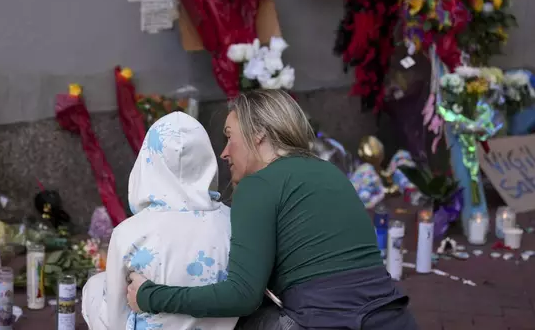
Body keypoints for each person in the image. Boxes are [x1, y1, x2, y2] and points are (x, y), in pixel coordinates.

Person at [126, 90, 416, 329]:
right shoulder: (329, 171)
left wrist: (150, 295)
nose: (224, 152)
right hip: (394, 317)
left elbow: (240, 296)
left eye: (229, 136)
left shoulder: (259, 185)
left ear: (259, 134)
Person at [81, 111, 238, 330]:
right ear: (206, 159)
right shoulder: (235, 223)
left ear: (148, 161)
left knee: (94, 287)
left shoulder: (130, 234)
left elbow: (113, 322)